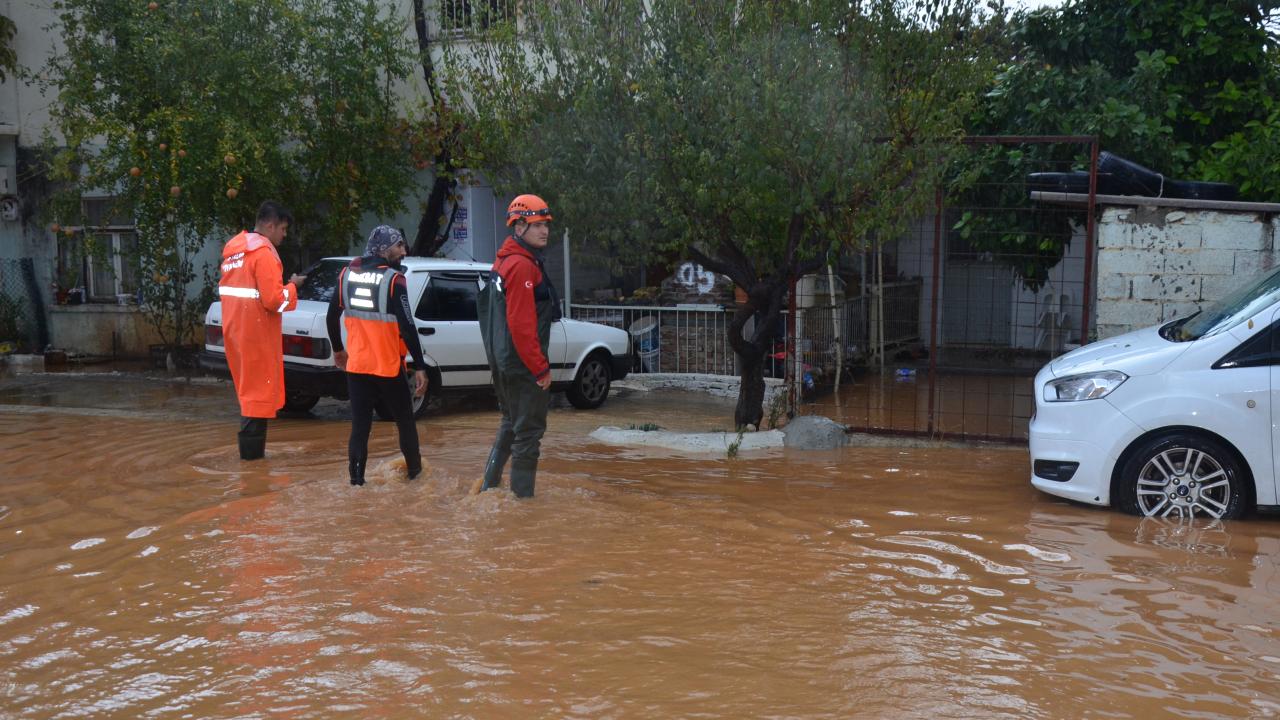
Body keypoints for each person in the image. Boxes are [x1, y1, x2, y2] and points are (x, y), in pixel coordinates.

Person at [326, 225, 428, 486]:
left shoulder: (346, 275)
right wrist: (419, 365)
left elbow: (331, 315)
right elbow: (407, 326)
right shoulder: (394, 280)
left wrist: (338, 350)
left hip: (357, 366)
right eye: (399, 246)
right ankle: (416, 478)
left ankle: (356, 483)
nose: (404, 251)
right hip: (388, 367)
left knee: (360, 428)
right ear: (384, 250)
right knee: (405, 422)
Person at [477, 194, 562, 498]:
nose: (545, 231)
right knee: (529, 434)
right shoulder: (522, 266)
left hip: (503, 361)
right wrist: (540, 368)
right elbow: (522, 325)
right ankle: (522, 507)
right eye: (538, 225)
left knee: (511, 423)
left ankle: (489, 487)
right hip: (521, 363)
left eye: (546, 225)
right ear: (520, 226)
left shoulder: (504, 260)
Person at [219, 201, 306, 460]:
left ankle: (252, 466)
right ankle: (252, 464)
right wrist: (292, 287)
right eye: (283, 228)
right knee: (257, 398)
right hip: (256, 335)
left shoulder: (234, 253)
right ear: (270, 225)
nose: (284, 234)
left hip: (236, 331)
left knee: (250, 394)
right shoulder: (263, 254)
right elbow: (274, 301)